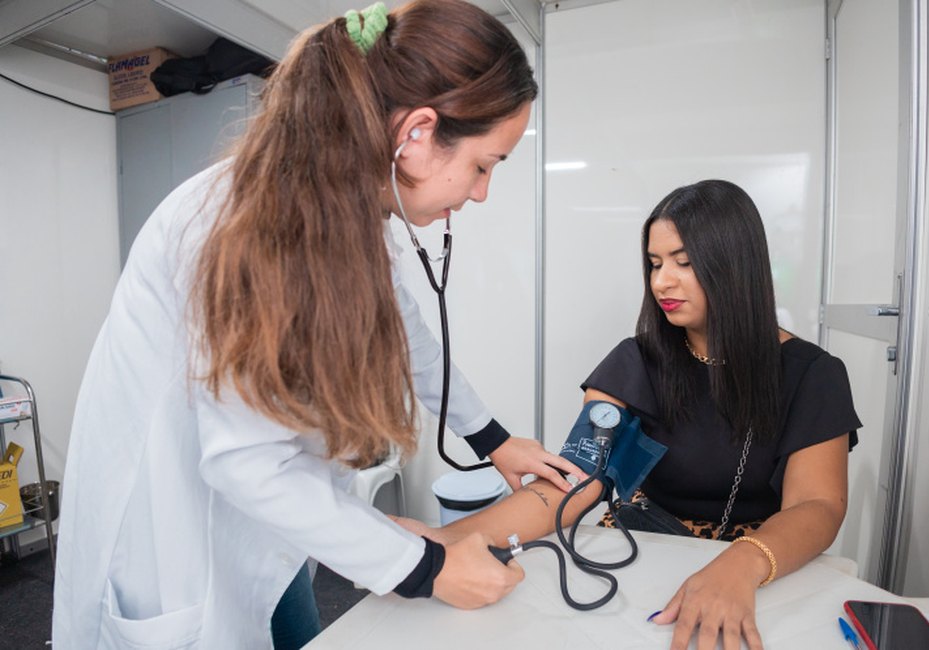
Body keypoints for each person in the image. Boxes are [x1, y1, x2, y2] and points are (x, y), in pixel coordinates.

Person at [51, 2, 584, 648]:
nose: (480, 194)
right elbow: (248, 464)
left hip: (269, 538)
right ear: (417, 133)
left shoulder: (343, 203)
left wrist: (492, 439)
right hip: (179, 555)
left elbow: (406, 334)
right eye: (483, 164)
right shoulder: (246, 224)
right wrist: (427, 568)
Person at [398, 180, 861, 650]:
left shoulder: (812, 375)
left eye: (683, 262)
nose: (661, 281)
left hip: (761, 560)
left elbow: (818, 506)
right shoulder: (635, 362)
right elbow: (575, 481)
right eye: (655, 263)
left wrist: (743, 562)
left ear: (735, 265)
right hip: (646, 545)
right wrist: (444, 541)